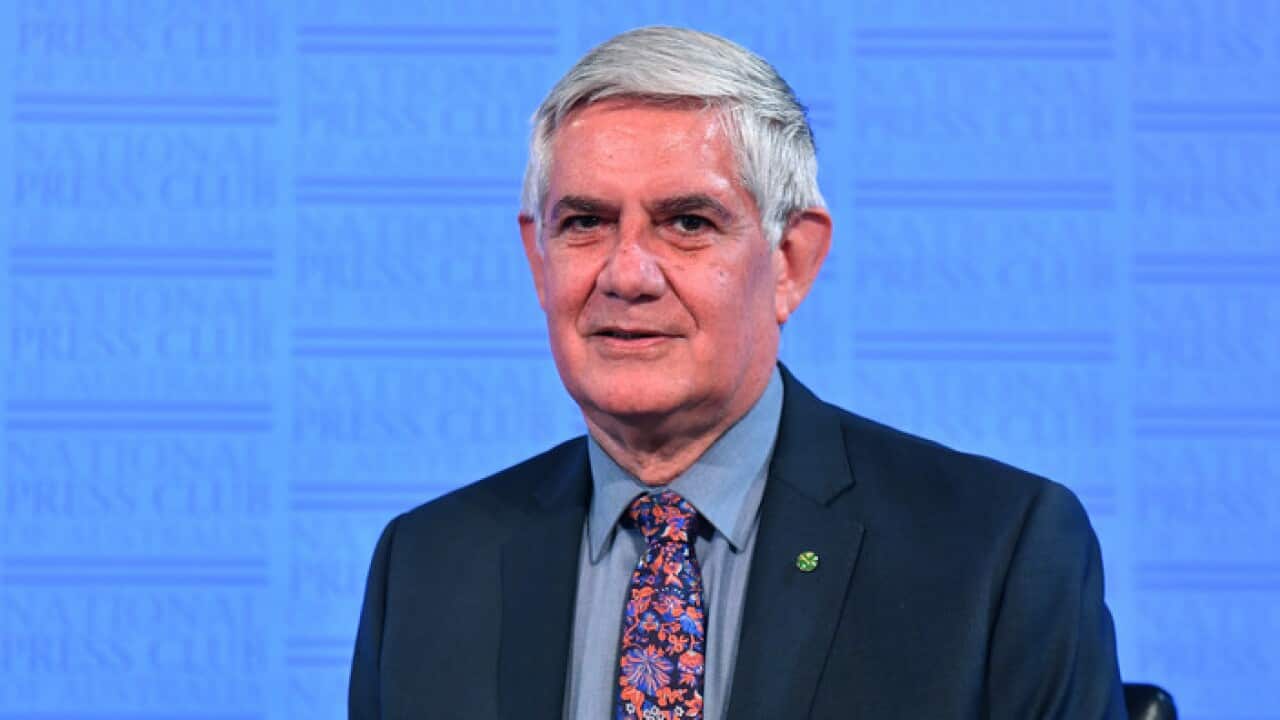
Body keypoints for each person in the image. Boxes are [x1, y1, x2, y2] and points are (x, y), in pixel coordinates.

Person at [349, 26, 1126, 720]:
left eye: (688, 223)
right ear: (537, 255)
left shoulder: (992, 553)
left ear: (791, 261)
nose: (627, 275)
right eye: (584, 223)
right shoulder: (426, 567)